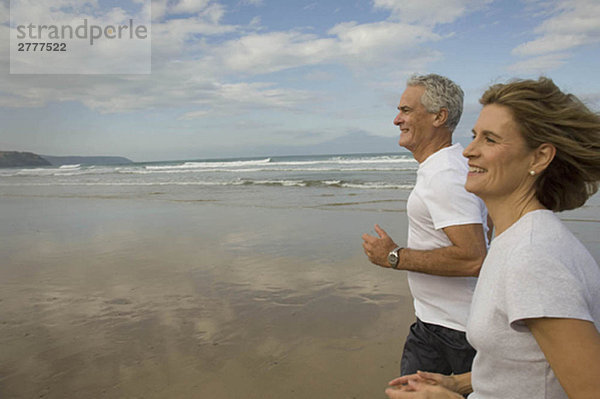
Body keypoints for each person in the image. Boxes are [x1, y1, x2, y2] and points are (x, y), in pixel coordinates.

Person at [385, 77, 600, 399]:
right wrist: (458, 383)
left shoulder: (533, 259)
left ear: (539, 158)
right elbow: (527, 363)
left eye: (490, 140)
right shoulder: (516, 239)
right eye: (474, 136)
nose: (469, 151)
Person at [362, 74, 490, 377]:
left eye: (406, 110)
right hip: (439, 323)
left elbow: (474, 257)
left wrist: (394, 256)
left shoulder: (445, 174)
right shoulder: (451, 166)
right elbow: (487, 225)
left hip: (455, 332)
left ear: (439, 116)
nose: (397, 119)